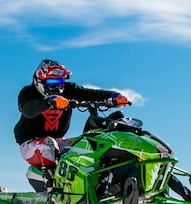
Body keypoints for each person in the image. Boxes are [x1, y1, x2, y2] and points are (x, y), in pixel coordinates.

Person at [14, 59, 129, 193]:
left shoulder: (68, 90)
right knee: (48, 145)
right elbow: (27, 110)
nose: (58, 88)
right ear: (39, 82)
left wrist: (112, 96)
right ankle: (53, 189)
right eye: (52, 83)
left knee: (87, 144)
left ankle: (99, 184)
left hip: (57, 142)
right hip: (30, 144)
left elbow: (88, 94)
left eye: (61, 83)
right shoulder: (28, 92)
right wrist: (49, 102)